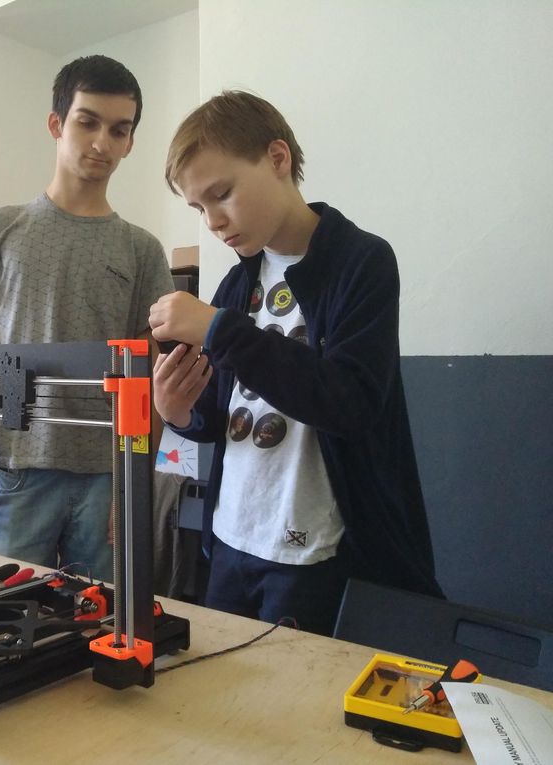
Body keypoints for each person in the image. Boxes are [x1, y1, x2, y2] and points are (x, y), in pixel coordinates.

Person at [149, 91, 442, 635]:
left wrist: (218, 329)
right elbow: (216, 417)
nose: (213, 221)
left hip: (316, 552)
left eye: (222, 194)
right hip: (231, 537)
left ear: (278, 158)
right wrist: (177, 410)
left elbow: (351, 403)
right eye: (198, 208)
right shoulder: (236, 284)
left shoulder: (362, 262)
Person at [0, 55, 174, 578]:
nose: (102, 143)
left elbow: (149, 376)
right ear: (56, 124)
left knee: (101, 614)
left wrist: (135, 478)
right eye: (87, 122)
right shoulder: (0, 229)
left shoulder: (142, 250)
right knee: (6, 612)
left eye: (119, 130)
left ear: (130, 142)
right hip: (15, 467)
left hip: (106, 476)